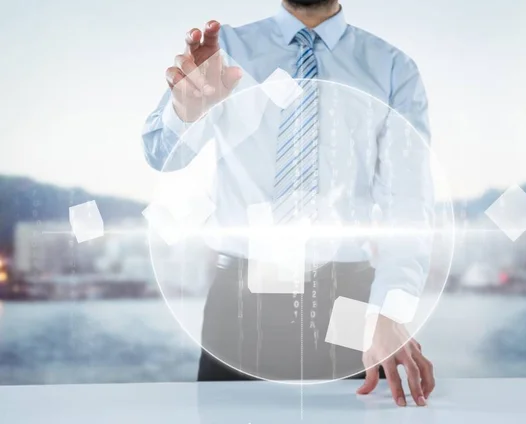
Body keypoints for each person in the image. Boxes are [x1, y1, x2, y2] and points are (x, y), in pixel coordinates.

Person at [142, 0, 435, 407]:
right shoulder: (223, 50)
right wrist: (185, 112)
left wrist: (391, 309)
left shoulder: (392, 68)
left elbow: (409, 201)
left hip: (347, 299)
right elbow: (160, 151)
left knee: (354, 413)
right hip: (240, 298)